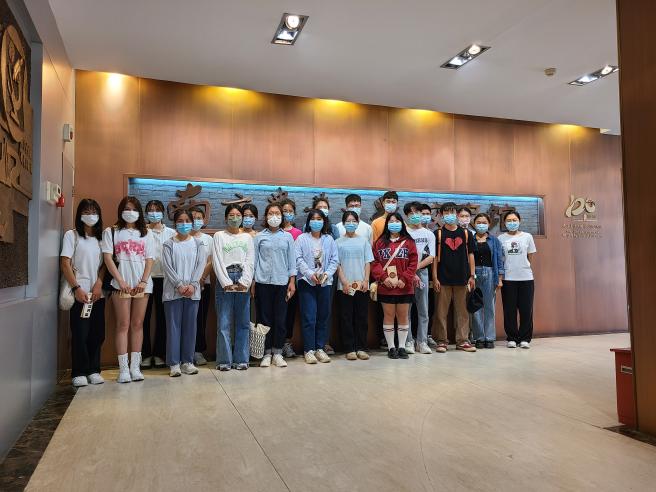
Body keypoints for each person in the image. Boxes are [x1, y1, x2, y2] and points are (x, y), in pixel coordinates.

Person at [102, 196, 155, 383]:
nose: (130, 212)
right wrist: (120, 280)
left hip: (142, 285)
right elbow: (108, 258)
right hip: (120, 284)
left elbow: (150, 259)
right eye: (126, 208)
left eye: (134, 209)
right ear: (120, 211)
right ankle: (123, 369)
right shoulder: (111, 231)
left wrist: (143, 281)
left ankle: (135, 367)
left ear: (139, 212)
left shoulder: (146, 233)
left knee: (138, 324)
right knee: (123, 324)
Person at [60, 199, 106, 387]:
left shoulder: (102, 238)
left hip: (97, 294)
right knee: (80, 334)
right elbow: (65, 263)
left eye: (94, 212)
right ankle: (79, 371)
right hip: (79, 293)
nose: (90, 215)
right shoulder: (72, 235)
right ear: (80, 214)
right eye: (86, 211)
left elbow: (104, 265)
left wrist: (99, 284)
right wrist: (76, 288)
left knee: (97, 333)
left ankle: (94, 370)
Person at [162, 209, 208, 377]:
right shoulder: (168, 244)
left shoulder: (198, 244)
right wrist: (179, 285)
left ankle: (187, 362)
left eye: (187, 221)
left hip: (192, 292)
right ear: (175, 224)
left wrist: (193, 285)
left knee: (190, 327)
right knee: (173, 328)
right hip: (172, 292)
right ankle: (174, 363)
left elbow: (200, 265)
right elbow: (167, 267)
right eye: (180, 221)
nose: (184, 224)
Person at [253, 203, 296, 367]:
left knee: (280, 319)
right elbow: (254, 261)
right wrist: (253, 282)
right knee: (264, 319)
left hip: (282, 283)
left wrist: (292, 282)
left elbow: (292, 262)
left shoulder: (287, 237)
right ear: (266, 216)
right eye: (271, 213)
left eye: (277, 213)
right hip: (263, 282)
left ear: (282, 216)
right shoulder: (259, 237)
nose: (274, 216)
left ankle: (277, 352)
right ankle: (266, 353)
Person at [213, 204, 255, 371]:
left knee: (243, 322)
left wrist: (245, 281)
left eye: (238, 215)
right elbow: (217, 260)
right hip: (225, 277)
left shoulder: (247, 237)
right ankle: (224, 360)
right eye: (231, 215)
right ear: (226, 218)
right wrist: (226, 282)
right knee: (224, 322)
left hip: (242, 277)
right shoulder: (219, 236)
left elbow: (250, 260)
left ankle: (241, 359)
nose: (235, 218)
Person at [431, 202, 477, 353]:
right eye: (446, 213)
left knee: (463, 312)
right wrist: (435, 278)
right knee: (441, 312)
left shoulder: (466, 233)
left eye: (452, 213)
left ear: (457, 215)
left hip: (462, 278)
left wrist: (472, 276)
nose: (449, 216)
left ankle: (462, 341)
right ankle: (442, 341)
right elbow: (434, 258)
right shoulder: (437, 233)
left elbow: (471, 255)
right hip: (443, 279)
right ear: (441, 215)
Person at [371, 213, 418, 359]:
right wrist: (383, 278)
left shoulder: (409, 242)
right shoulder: (379, 243)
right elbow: (374, 262)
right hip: (386, 286)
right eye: (391, 221)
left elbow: (413, 262)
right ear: (387, 224)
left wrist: (405, 278)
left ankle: (402, 347)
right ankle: (391, 347)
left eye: (397, 221)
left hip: (404, 286)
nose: (394, 223)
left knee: (403, 316)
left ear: (402, 223)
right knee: (389, 315)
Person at [295, 209, 339, 364]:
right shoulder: (301, 238)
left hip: (325, 282)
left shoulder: (329, 239)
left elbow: (334, 260)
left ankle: (320, 348)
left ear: (324, 221)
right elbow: (298, 259)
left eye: (319, 219)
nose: (316, 221)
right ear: (308, 222)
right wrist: (309, 274)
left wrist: (327, 274)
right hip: (307, 282)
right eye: (313, 219)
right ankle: (309, 350)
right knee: (309, 317)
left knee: (323, 316)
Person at [141, 200, 175, 369]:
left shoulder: (171, 233)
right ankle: (145, 354)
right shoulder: (141, 232)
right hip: (145, 279)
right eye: (150, 210)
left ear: (163, 213)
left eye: (157, 210)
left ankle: (160, 353)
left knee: (163, 317)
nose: (154, 213)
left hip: (166, 279)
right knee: (144, 318)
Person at [336, 211, 373, 360]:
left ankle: (361, 347)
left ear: (358, 223)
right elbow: (337, 264)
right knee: (346, 317)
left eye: (353, 221)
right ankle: (349, 348)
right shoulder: (337, 242)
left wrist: (366, 280)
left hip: (362, 286)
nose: (351, 223)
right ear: (343, 223)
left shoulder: (363, 241)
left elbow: (368, 262)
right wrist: (344, 281)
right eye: (348, 221)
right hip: (344, 286)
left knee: (361, 317)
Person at [498, 211, 537, 349]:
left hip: (526, 278)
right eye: (509, 220)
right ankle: (512, 338)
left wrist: (524, 267)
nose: (512, 222)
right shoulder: (501, 238)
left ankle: (525, 338)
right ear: (504, 223)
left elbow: (530, 256)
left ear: (519, 221)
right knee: (509, 310)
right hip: (508, 278)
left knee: (526, 309)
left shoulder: (527, 236)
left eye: (514, 220)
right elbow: (500, 259)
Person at [404, 201, 435, 354]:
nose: (415, 216)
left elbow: (431, 257)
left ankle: (422, 342)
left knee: (423, 310)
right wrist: (410, 271)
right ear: (406, 216)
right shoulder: (403, 233)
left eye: (418, 212)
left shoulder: (429, 234)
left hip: (422, 273)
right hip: (405, 274)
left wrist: (415, 269)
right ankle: (408, 341)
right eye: (411, 213)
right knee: (406, 310)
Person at [471, 213, 504, 349]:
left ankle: (489, 337)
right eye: (478, 222)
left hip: (490, 273)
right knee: (476, 306)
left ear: (489, 224)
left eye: (484, 222)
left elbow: (499, 260)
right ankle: (479, 337)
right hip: (474, 274)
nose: (481, 225)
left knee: (489, 306)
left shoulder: (494, 240)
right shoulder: (470, 239)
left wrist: (500, 279)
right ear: (474, 224)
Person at [312, 196, 339, 354]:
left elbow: (335, 254)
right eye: (319, 207)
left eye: (325, 207)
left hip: (329, 276)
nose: (322, 210)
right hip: (311, 277)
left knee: (326, 310)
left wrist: (328, 273)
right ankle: (312, 344)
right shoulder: (307, 228)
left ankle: (325, 342)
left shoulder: (333, 229)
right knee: (311, 311)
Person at [190, 207, 213, 366]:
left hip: (203, 284)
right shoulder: (179, 237)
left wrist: (202, 278)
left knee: (200, 318)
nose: (195, 221)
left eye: (199, 218)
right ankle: (185, 351)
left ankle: (198, 351)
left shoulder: (208, 239)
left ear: (204, 220)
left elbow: (210, 261)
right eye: (192, 217)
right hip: (184, 286)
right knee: (186, 319)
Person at [281, 198, 302, 359]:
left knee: (289, 313)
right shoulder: (273, 231)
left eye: (290, 211)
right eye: (284, 211)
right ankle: (273, 344)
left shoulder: (298, 234)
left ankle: (287, 343)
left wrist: (292, 279)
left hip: (293, 279)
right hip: (275, 279)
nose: (287, 214)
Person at [419, 203, 438, 349]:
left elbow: (433, 257)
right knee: (412, 307)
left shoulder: (432, 234)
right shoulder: (408, 233)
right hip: (411, 273)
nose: (424, 216)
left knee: (427, 307)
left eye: (427, 214)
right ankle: (411, 338)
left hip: (428, 273)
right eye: (422, 214)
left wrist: (435, 276)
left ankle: (426, 336)